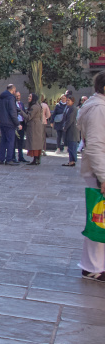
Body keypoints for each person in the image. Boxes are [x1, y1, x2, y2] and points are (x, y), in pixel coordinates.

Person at [77, 71, 105, 281]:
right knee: (99, 217)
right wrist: (103, 176)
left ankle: (95, 265)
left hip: (98, 169)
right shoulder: (98, 109)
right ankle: (93, 266)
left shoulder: (97, 106)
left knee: (100, 217)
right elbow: (94, 146)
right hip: (99, 170)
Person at [0, 84, 20, 166]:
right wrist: (17, 123)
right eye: (15, 90)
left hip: (2, 123)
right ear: (13, 90)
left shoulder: (1, 98)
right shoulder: (11, 98)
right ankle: (9, 159)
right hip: (9, 123)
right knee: (10, 141)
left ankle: (1, 159)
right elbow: (12, 112)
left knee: (3, 141)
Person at [23, 93, 44, 165]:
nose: (28, 98)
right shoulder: (37, 106)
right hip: (36, 126)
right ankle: (36, 159)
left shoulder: (34, 107)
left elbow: (28, 117)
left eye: (30, 96)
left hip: (33, 127)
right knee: (36, 142)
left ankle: (36, 159)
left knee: (34, 143)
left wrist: (21, 112)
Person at [63, 95, 80, 167]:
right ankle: (71, 161)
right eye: (67, 100)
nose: (67, 102)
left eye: (68, 100)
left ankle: (72, 161)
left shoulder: (73, 108)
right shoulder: (67, 107)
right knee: (70, 146)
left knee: (72, 146)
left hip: (72, 130)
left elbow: (70, 119)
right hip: (69, 130)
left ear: (72, 101)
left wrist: (65, 127)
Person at [15, 92, 27, 162]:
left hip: (22, 123)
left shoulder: (21, 104)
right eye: (16, 96)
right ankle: (13, 157)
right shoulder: (13, 104)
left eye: (19, 96)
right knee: (14, 141)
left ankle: (21, 156)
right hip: (16, 123)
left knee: (21, 141)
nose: (18, 97)